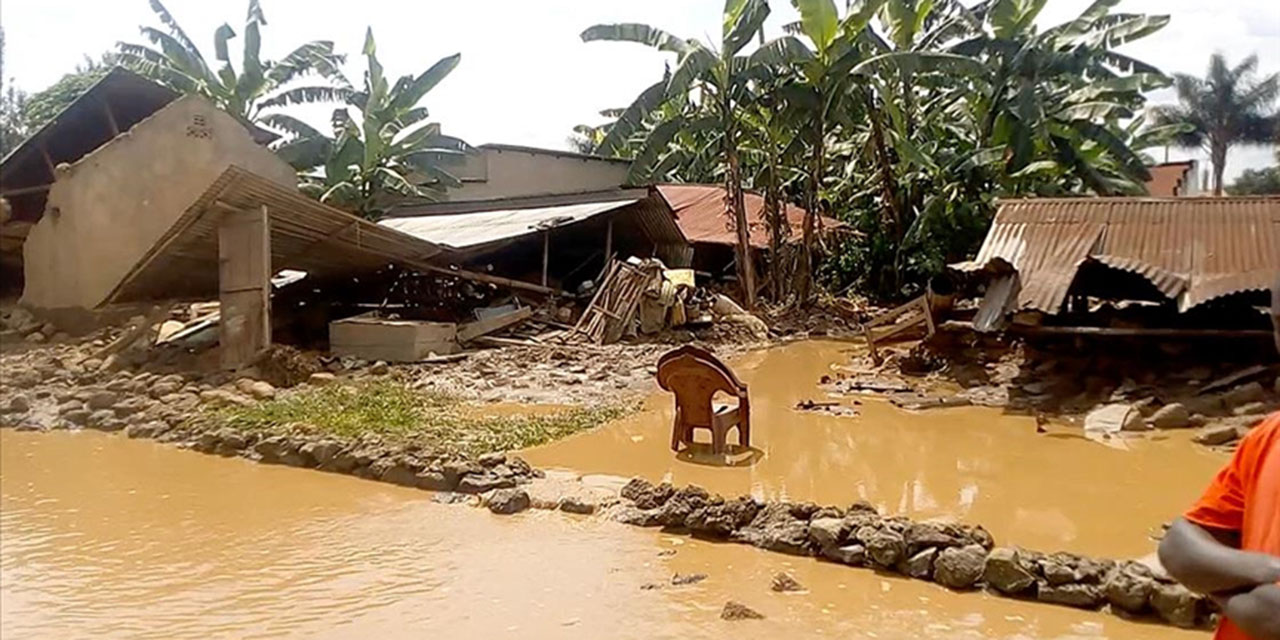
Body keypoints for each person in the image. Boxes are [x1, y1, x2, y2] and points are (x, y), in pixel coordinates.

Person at [1157, 274, 1280, 640]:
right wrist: (1267, 569)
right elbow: (1178, 546)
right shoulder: (1268, 437)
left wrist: (1221, 582)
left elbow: (1270, 615)